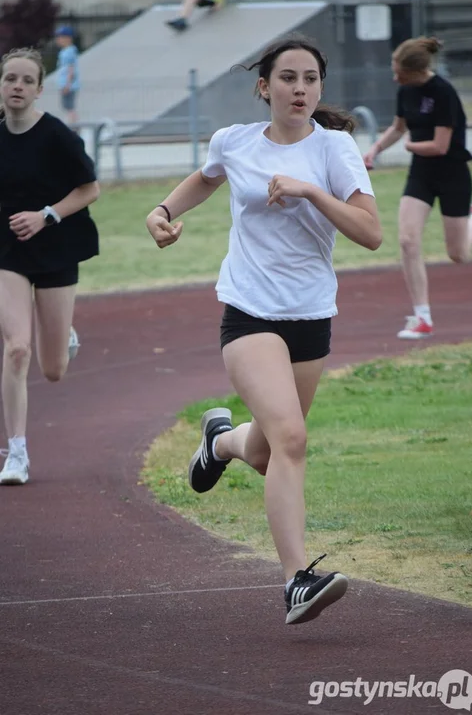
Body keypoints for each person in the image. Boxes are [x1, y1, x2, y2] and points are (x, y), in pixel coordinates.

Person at [146, 33, 382, 625]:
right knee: (292, 441)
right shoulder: (235, 141)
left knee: (264, 448)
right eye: (287, 78)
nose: (299, 88)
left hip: (311, 316)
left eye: (309, 79)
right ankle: (296, 581)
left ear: (319, 88)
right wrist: (164, 212)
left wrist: (309, 190)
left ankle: (219, 443)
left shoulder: (334, 150)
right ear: (264, 87)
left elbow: (369, 231)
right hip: (249, 312)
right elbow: (206, 177)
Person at [0, 48, 100, 485]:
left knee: (53, 369)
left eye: (25, 80)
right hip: (7, 251)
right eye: (9, 79)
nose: (16, 87)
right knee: (17, 347)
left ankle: (65, 336)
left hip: (57, 243)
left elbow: (90, 189)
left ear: (40, 89)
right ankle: (16, 452)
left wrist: (46, 215)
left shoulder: (57, 136)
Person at [363, 37, 472, 340]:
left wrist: (411, 145)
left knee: (458, 255)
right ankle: (422, 317)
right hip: (421, 174)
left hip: (452, 173)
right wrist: (375, 149)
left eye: (398, 71)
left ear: (415, 71)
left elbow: (439, 146)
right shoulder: (406, 90)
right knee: (407, 240)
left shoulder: (443, 93)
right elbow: (398, 126)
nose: (394, 77)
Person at [55, 25, 80, 126]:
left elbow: (71, 69)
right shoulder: (64, 51)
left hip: (69, 85)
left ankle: (74, 126)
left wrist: (67, 84)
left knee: (70, 107)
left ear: (68, 38)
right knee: (67, 107)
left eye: (61, 37)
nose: (58, 40)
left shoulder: (69, 51)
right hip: (65, 84)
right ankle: (72, 124)